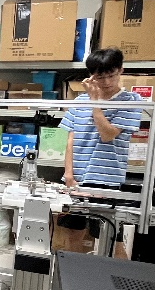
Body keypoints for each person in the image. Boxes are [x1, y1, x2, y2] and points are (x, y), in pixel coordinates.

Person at [59, 47, 143, 188]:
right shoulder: (79, 101)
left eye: (111, 76)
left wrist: (94, 102)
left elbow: (107, 135)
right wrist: (68, 174)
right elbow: (71, 140)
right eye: (100, 77)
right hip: (76, 177)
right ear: (91, 76)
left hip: (107, 178)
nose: (107, 82)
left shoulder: (131, 101)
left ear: (120, 71)